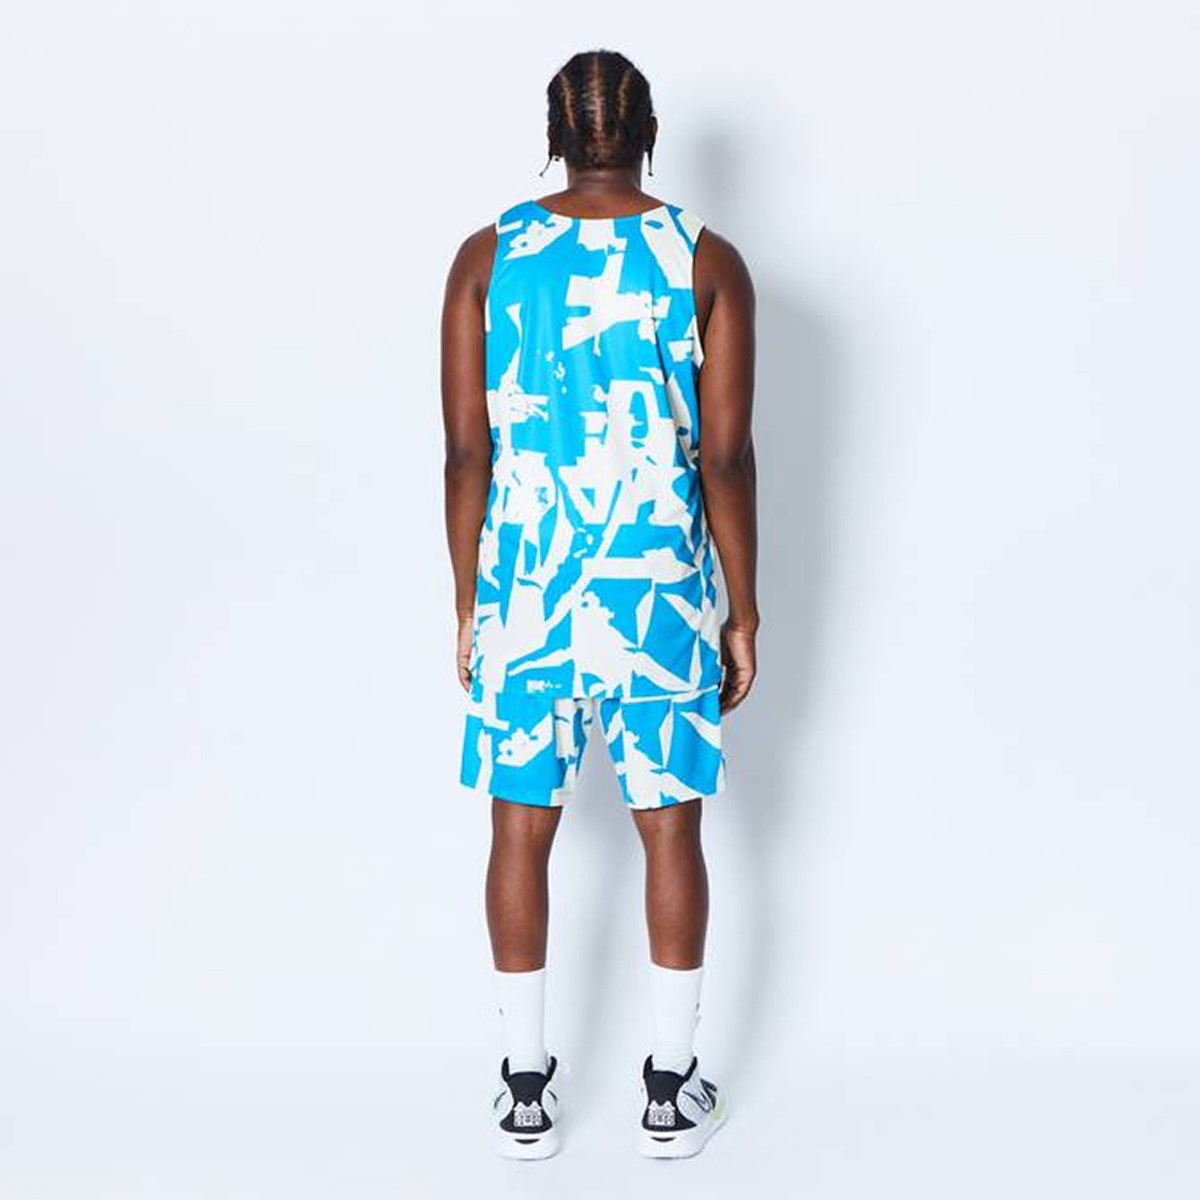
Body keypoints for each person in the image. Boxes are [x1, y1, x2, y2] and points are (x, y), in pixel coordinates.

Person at [440, 48, 758, 1160]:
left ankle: (525, 1090)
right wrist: (742, 611)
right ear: (649, 133)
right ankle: (671, 1091)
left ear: (554, 137)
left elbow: (466, 454)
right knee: (671, 825)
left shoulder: (486, 260)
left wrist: (469, 601)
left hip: (527, 587)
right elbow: (727, 460)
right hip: (659, 587)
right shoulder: (706, 260)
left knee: (518, 827)